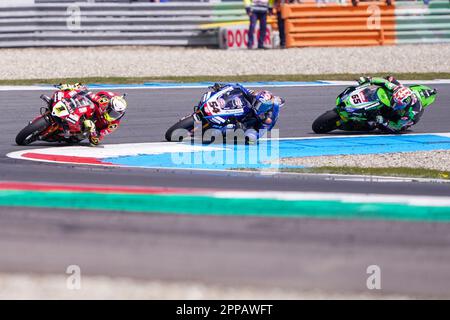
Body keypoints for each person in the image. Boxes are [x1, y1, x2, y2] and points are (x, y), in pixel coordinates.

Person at [53, 83, 127, 146]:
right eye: (112, 113)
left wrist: (93, 131)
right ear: (108, 107)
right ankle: (60, 102)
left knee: (86, 138)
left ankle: (68, 131)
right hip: (89, 110)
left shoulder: (113, 125)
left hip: (89, 127)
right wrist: (73, 88)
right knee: (78, 91)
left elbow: (97, 139)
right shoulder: (104, 101)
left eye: (116, 115)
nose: (113, 116)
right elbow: (89, 94)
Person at [210, 83, 284, 142]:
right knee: (239, 97)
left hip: (257, 126)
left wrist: (246, 132)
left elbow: (261, 131)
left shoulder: (268, 117)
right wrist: (222, 87)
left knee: (249, 135)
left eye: (259, 104)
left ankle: (226, 130)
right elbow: (239, 87)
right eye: (257, 101)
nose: (257, 103)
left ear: (265, 106)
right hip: (252, 112)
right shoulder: (256, 95)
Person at [357, 76, 423, 133]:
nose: (394, 105)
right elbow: (384, 82)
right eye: (394, 101)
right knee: (389, 78)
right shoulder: (396, 89)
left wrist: (385, 121)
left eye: (398, 104)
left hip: (405, 120)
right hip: (405, 93)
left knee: (384, 127)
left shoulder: (410, 113)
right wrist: (368, 79)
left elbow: (398, 126)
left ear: (406, 104)